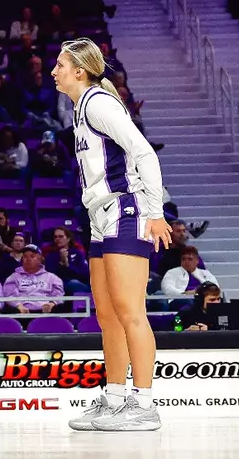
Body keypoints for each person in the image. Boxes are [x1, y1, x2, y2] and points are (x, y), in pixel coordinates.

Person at [53, 39, 174, 433]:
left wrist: (155, 213)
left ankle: (145, 403)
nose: (54, 71)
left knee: (129, 310)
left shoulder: (99, 104)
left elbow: (144, 152)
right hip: (100, 213)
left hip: (127, 208)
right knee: (106, 315)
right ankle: (116, 397)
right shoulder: (79, 108)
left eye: (60, 65)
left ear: (79, 71)